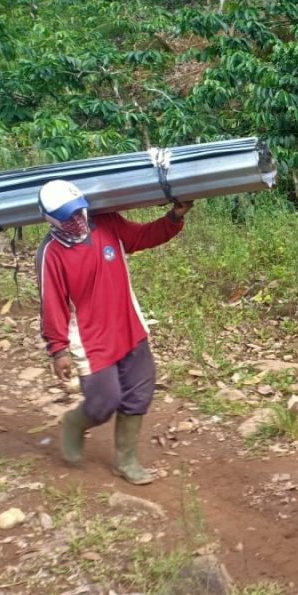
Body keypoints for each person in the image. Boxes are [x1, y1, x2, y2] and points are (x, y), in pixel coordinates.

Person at [34, 179, 192, 485]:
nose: (77, 219)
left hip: (128, 323)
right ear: (52, 219)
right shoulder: (51, 252)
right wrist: (59, 350)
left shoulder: (107, 223)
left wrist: (174, 218)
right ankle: (75, 423)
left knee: (140, 390)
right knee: (103, 402)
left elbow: (143, 236)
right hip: (90, 338)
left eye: (79, 211)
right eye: (68, 216)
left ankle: (125, 460)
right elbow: (52, 303)